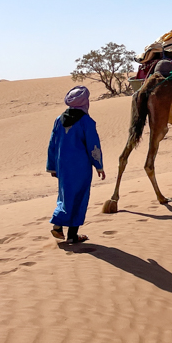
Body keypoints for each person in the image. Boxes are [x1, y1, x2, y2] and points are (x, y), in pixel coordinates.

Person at [46, 86, 105, 243]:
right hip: (80, 167)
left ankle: (60, 227)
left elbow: (52, 144)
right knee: (79, 197)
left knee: (65, 195)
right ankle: (69, 233)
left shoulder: (59, 120)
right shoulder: (86, 121)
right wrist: (99, 165)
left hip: (62, 166)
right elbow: (93, 145)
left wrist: (52, 166)